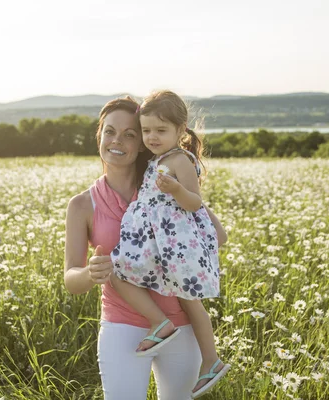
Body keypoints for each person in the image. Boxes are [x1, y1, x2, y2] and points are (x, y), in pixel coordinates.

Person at [64, 96, 228, 400]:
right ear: (99, 135)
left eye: (130, 134)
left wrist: (166, 248)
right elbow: (71, 279)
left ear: (143, 142)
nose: (117, 140)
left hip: (182, 323)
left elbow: (215, 234)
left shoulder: (164, 182)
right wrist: (90, 272)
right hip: (122, 327)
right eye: (110, 131)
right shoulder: (82, 204)